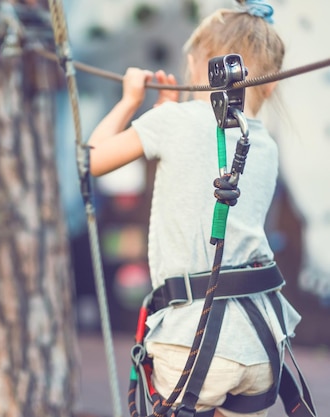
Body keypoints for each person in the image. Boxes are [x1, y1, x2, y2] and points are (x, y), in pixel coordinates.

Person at [88, 1, 305, 416]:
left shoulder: (174, 122)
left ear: (196, 69)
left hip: (192, 340)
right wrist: (165, 116)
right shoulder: (266, 144)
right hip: (260, 342)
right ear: (272, 83)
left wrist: (130, 102)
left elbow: (93, 159)